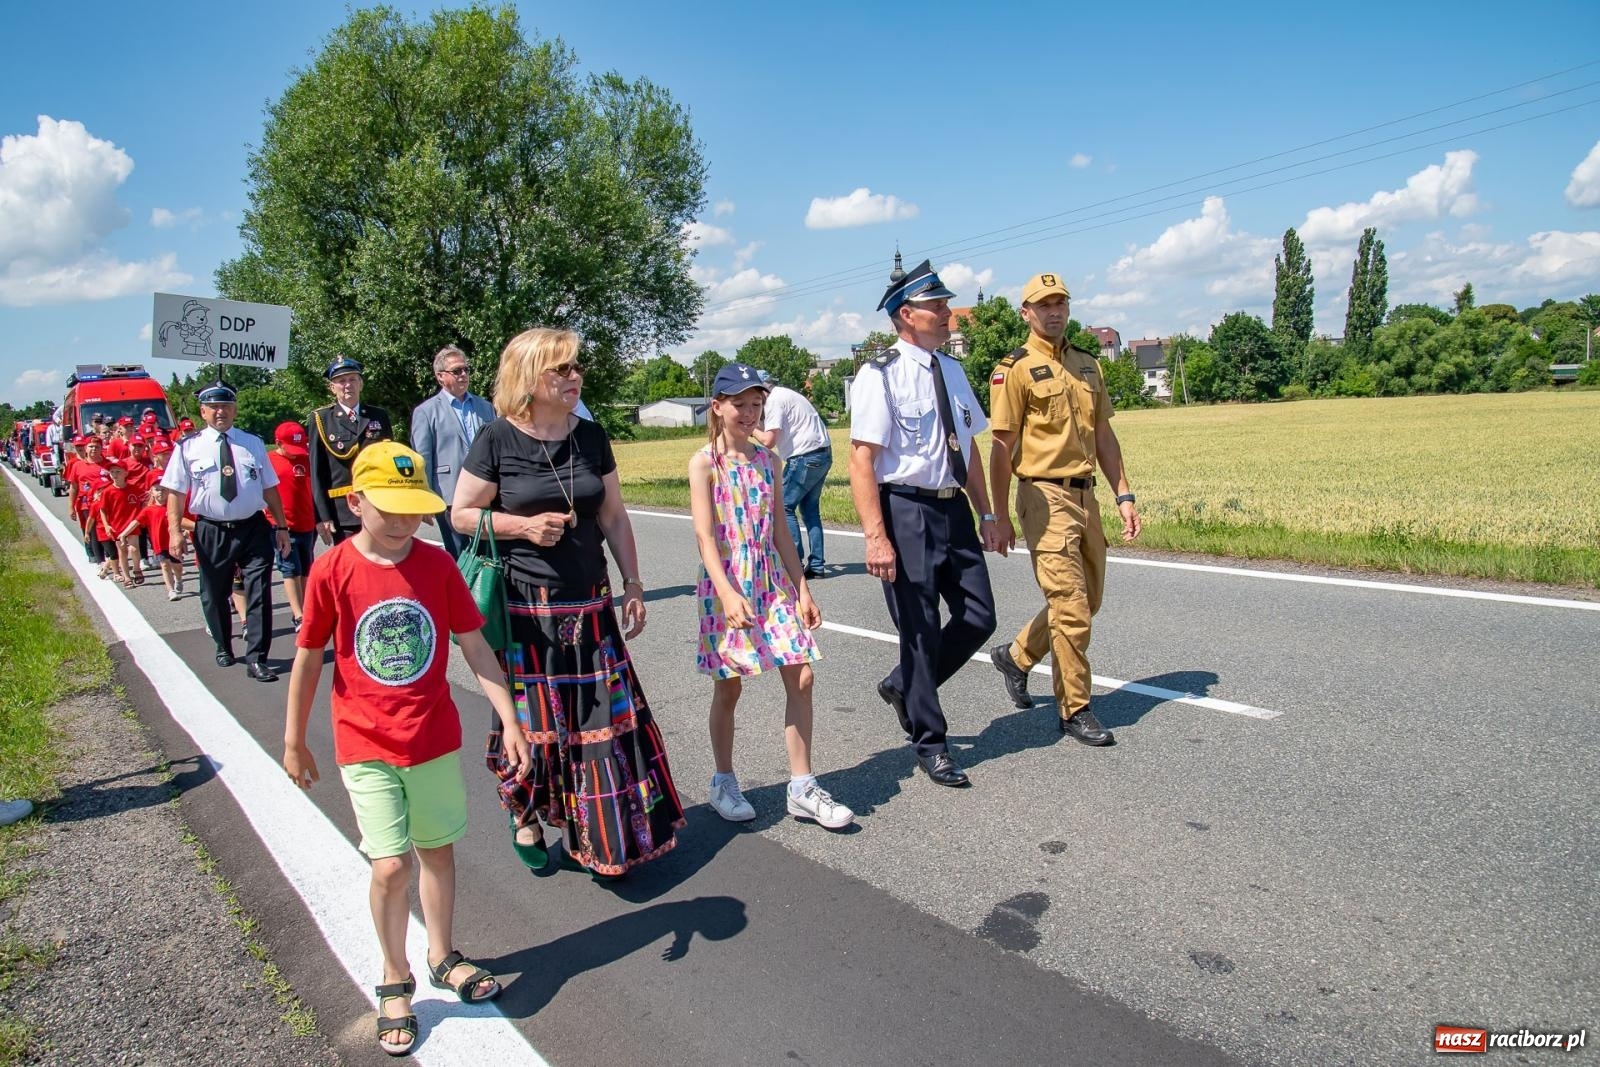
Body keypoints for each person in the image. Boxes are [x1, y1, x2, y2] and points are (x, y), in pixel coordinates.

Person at [283, 441, 528, 1057]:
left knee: (437, 852)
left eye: (413, 510)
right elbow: (310, 654)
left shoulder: (438, 565)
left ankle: (442, 955)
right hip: (364, 743)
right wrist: (292, 738)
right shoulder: (332, 569)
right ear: (355, 500)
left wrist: (511, 718)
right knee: (390, 865)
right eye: (388, 509)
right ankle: (395, 977)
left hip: (433, 739)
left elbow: (474, 646)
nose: (402, 522)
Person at [452, 327, 685, 877]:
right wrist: (522, 527)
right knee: (536, 724)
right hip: (528, 609)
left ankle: (602, 833)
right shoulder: (496, 438)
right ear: (529, 377)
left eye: (576, 367)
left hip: (590, 603)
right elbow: (461, 513)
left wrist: (633, 583)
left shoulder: (592, 436)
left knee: (597, 724)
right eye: (561, 369)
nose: (575, 376)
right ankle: (526, 813)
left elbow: (613, 516)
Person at [846, 256, 1001, 788]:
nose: (947, 313)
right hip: (905, 508)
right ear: (907, 314)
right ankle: (930, 742)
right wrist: (875, 537)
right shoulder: (878, 374)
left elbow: (970, 447)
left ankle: (902, 686)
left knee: (980, 616)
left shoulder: (952, 371)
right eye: (937, 305)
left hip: (953, 506)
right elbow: (862, 457)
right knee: (920, 629)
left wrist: (988, 512)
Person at [690, 363, 853, 828]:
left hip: (771, 580)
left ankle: (802, 787)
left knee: (801, 677)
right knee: (730, 685)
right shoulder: (705, 462)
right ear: (718, 407)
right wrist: (726, 591)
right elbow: (705, 537)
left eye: (757, 404)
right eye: (739, 404)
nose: (749, 412)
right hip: (726, 582)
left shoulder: (770, 461)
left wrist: (801, 587)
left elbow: (782, 530)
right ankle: (723, 780)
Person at [987, 273, 1142, 746]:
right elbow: (1000, 447)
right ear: (1026, 312)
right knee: (1071, 608)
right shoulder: (1013, 369)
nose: (1054, 311)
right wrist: (998, 515)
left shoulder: (1088, 364)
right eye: (1044, 304)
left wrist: (1124, 493)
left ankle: (1015, 657)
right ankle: (1075, 708)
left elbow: (1104, 435)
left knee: (1086, 601)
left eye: (1061, 303)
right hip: (1042, 496)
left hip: (1086, 496)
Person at [161, 382, 292, 682]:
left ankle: (257, 657)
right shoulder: (187, 447)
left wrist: (282, 526)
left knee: (259, 591)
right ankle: (223, 644)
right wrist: (174, 532)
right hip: (211, 529)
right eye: (214, 407)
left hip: (252, 527)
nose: (221, 412)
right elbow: (177, 493)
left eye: (227, 406)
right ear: (203, 411)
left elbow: (269, 487)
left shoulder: (253, 444)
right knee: (213, 593)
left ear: (235, 409)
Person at [409, 344, 494, 559]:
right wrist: (424, 499)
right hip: (449, 497)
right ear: (440, 377)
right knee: (461, 557)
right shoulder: (426, 412)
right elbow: (422, 459)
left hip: (486, 494)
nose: (463, 375)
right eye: (457, 371)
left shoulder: (485, 407)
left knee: (488, 558)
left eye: (466, 370)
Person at [751, 369, 834, 579]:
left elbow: (769, 440)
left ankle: (793, 563)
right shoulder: (786, 395)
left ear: (762, 390)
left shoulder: (775, 401)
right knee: (810, 510)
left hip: (804, 457)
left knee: (784, 506)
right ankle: (817, 564)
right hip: (822, 454)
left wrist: (749, 429)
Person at [309, 357, 393, 545]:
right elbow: (317, 473)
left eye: (352, 379)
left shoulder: (378, 416)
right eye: (341, 381)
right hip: (343, 511)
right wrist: (323, 516)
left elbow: (390, 461)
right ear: (332, 388)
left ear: (361, 384)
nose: (347, 385)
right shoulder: (322, 420)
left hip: (378, 504)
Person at [267, 421, 317, 629]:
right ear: (278, 443)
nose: (297, 453)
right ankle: (298, 614)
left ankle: (306, 608)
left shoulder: (306, 458)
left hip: (307, 523)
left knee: (306, 570)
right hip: (282, 525)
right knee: (290, 570)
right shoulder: (269, 461)